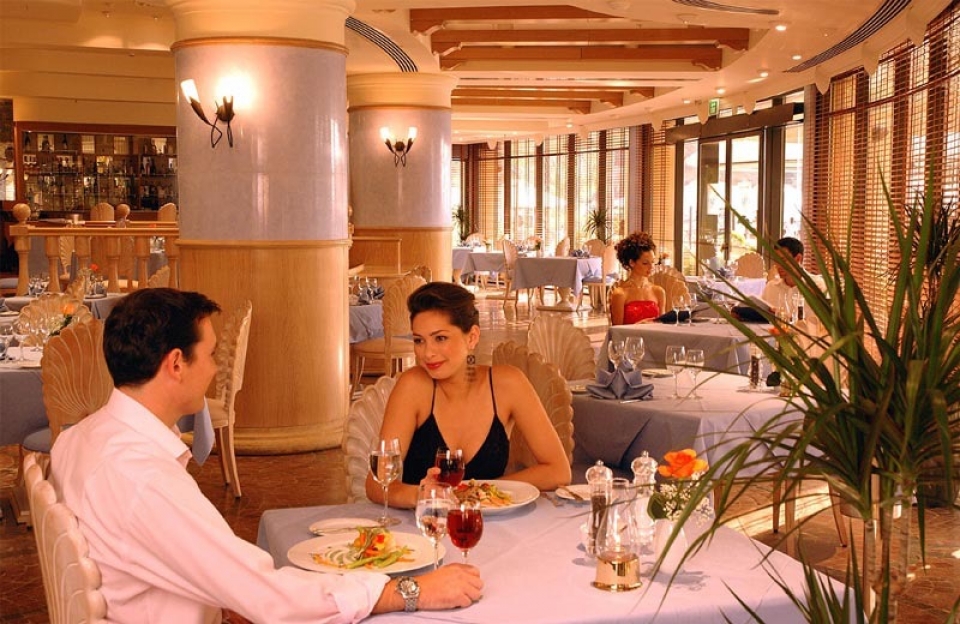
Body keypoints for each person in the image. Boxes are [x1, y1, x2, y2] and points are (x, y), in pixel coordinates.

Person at [51, 288, 482, 623]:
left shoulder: (79, 439)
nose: (215, 369)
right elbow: (269, 597)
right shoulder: (143, 480)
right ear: (176, 364)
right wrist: (409, 592)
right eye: (211, 355)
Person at [366, 282, 571, 509]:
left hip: (490, 525)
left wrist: (480, 492)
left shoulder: (507, 384)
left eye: (440, 338)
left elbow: (558, 471)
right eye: (419, 340)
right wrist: (422, 495)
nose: (427, 353)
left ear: (472, 337)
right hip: (424, 523)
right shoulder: (413, 386)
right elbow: (376, 484)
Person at [609, 231, 667, 325]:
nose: (651, 267)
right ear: (632, 263)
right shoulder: (620, 294)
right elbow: (617, 331)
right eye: (645, 263)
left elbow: (663, 327)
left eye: (653, 262)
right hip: (630, 335)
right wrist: (639, 325)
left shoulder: (659, 292)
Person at [761, 236, 825, 318]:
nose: (778, 265)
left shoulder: (817, 286)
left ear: (798, 258)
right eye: (776, 260)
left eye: (783, 260)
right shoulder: (771, 287)